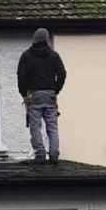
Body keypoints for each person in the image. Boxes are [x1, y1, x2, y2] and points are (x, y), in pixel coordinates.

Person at [17, 28, 67, 164]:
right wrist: (56, 90)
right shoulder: (54, 55)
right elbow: (62, 74)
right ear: (47, 40)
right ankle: (54, 153)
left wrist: (24, 93)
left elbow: (21, 76)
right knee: (52, 126)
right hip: (50, 95)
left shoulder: (26, 56)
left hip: (33, 95)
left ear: (34, 39)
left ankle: (40, 153)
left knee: (35, 126)